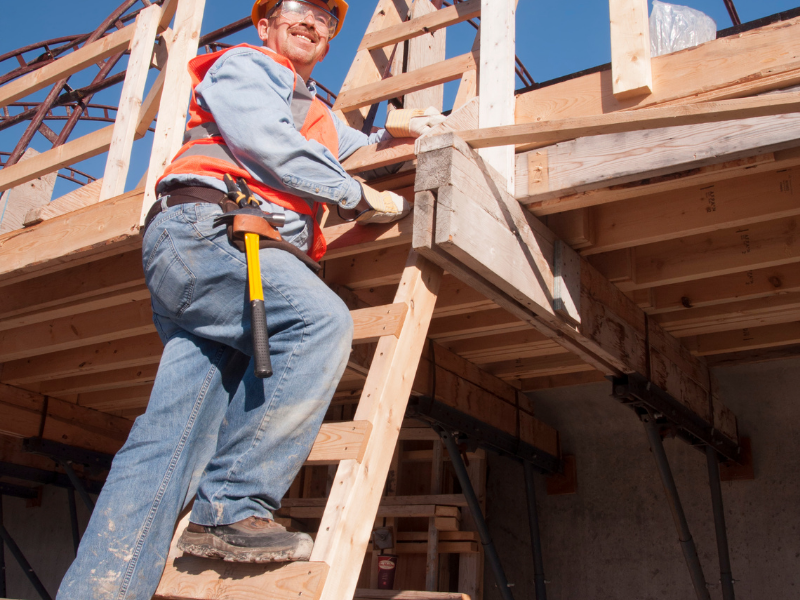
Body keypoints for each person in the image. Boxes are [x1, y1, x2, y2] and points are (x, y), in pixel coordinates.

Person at [56, 1, 445, 598]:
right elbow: (267, 141)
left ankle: (98, 591)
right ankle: (232, 507)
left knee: (169, 445)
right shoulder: (247, 65)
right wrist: (353, 195)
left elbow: (343, 147)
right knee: (318, 323)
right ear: (265, 24)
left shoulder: (313, 109)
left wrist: (389, 131)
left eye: (327, 18)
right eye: (299, 10)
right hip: (209, 233)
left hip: (224, 260)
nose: (314, 22)